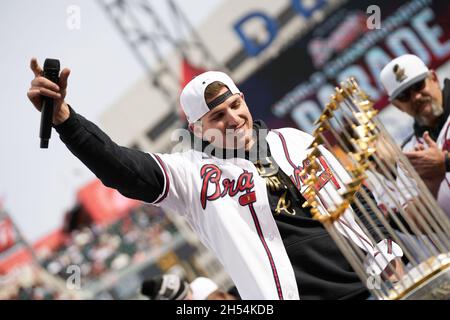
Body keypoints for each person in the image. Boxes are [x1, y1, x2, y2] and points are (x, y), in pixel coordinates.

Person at [27, 58, 403, 300]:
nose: (233, 118)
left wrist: (389, 257)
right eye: (217, 116)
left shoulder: (295, 140)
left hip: (372, 286)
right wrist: (65, 119)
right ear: (197, 128)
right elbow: (121, 168)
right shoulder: (190, 174)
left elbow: (356, 203)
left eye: (234, 105)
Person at [380, 54, 450, 218]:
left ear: (433, 78)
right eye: (404, 96)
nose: (416, 97)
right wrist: (430, 185)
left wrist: (445, 163)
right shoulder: (409, 153)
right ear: (397, 106)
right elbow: (416, 223)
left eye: (418, 85)